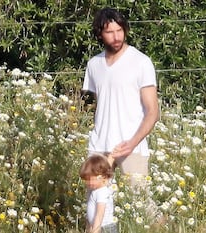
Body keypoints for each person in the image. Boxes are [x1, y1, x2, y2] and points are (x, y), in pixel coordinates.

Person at [82, 7, 160, 221]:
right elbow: (102, 104)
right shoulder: (94, 64)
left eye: (119, 30)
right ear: (100, 34)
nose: (116, 37)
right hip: (99, 145)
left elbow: (153, 112)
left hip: (131, 144)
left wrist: (133, 142)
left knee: (142, 205)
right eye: (109, 32)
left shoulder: (141, 62)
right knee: (95, 204)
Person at [80, 155, 117, 233]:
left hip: (104, 228)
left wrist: (95, 230)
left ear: (103, 177)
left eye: (92, 179)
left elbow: (100, 214)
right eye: (86, 179)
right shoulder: (98, 190)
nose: (89, 183)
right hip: (99, 227)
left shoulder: (101, 192)